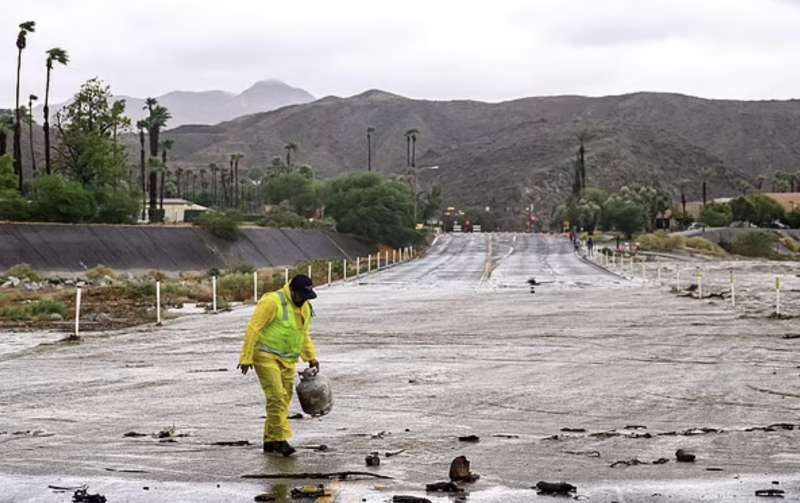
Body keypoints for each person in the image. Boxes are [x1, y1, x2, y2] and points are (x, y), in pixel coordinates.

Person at [238, 274, 320, 456]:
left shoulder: (305, 307)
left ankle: (269, 440)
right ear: (292, 291)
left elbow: (303, 334)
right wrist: (246, 357)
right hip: (265, 355)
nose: (304, 300)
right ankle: (280, 439)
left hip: (288, 359)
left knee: (284, 399)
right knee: (276, 396)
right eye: (301, 296)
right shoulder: (272, 302)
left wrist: (311, 357)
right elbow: (254, 328)